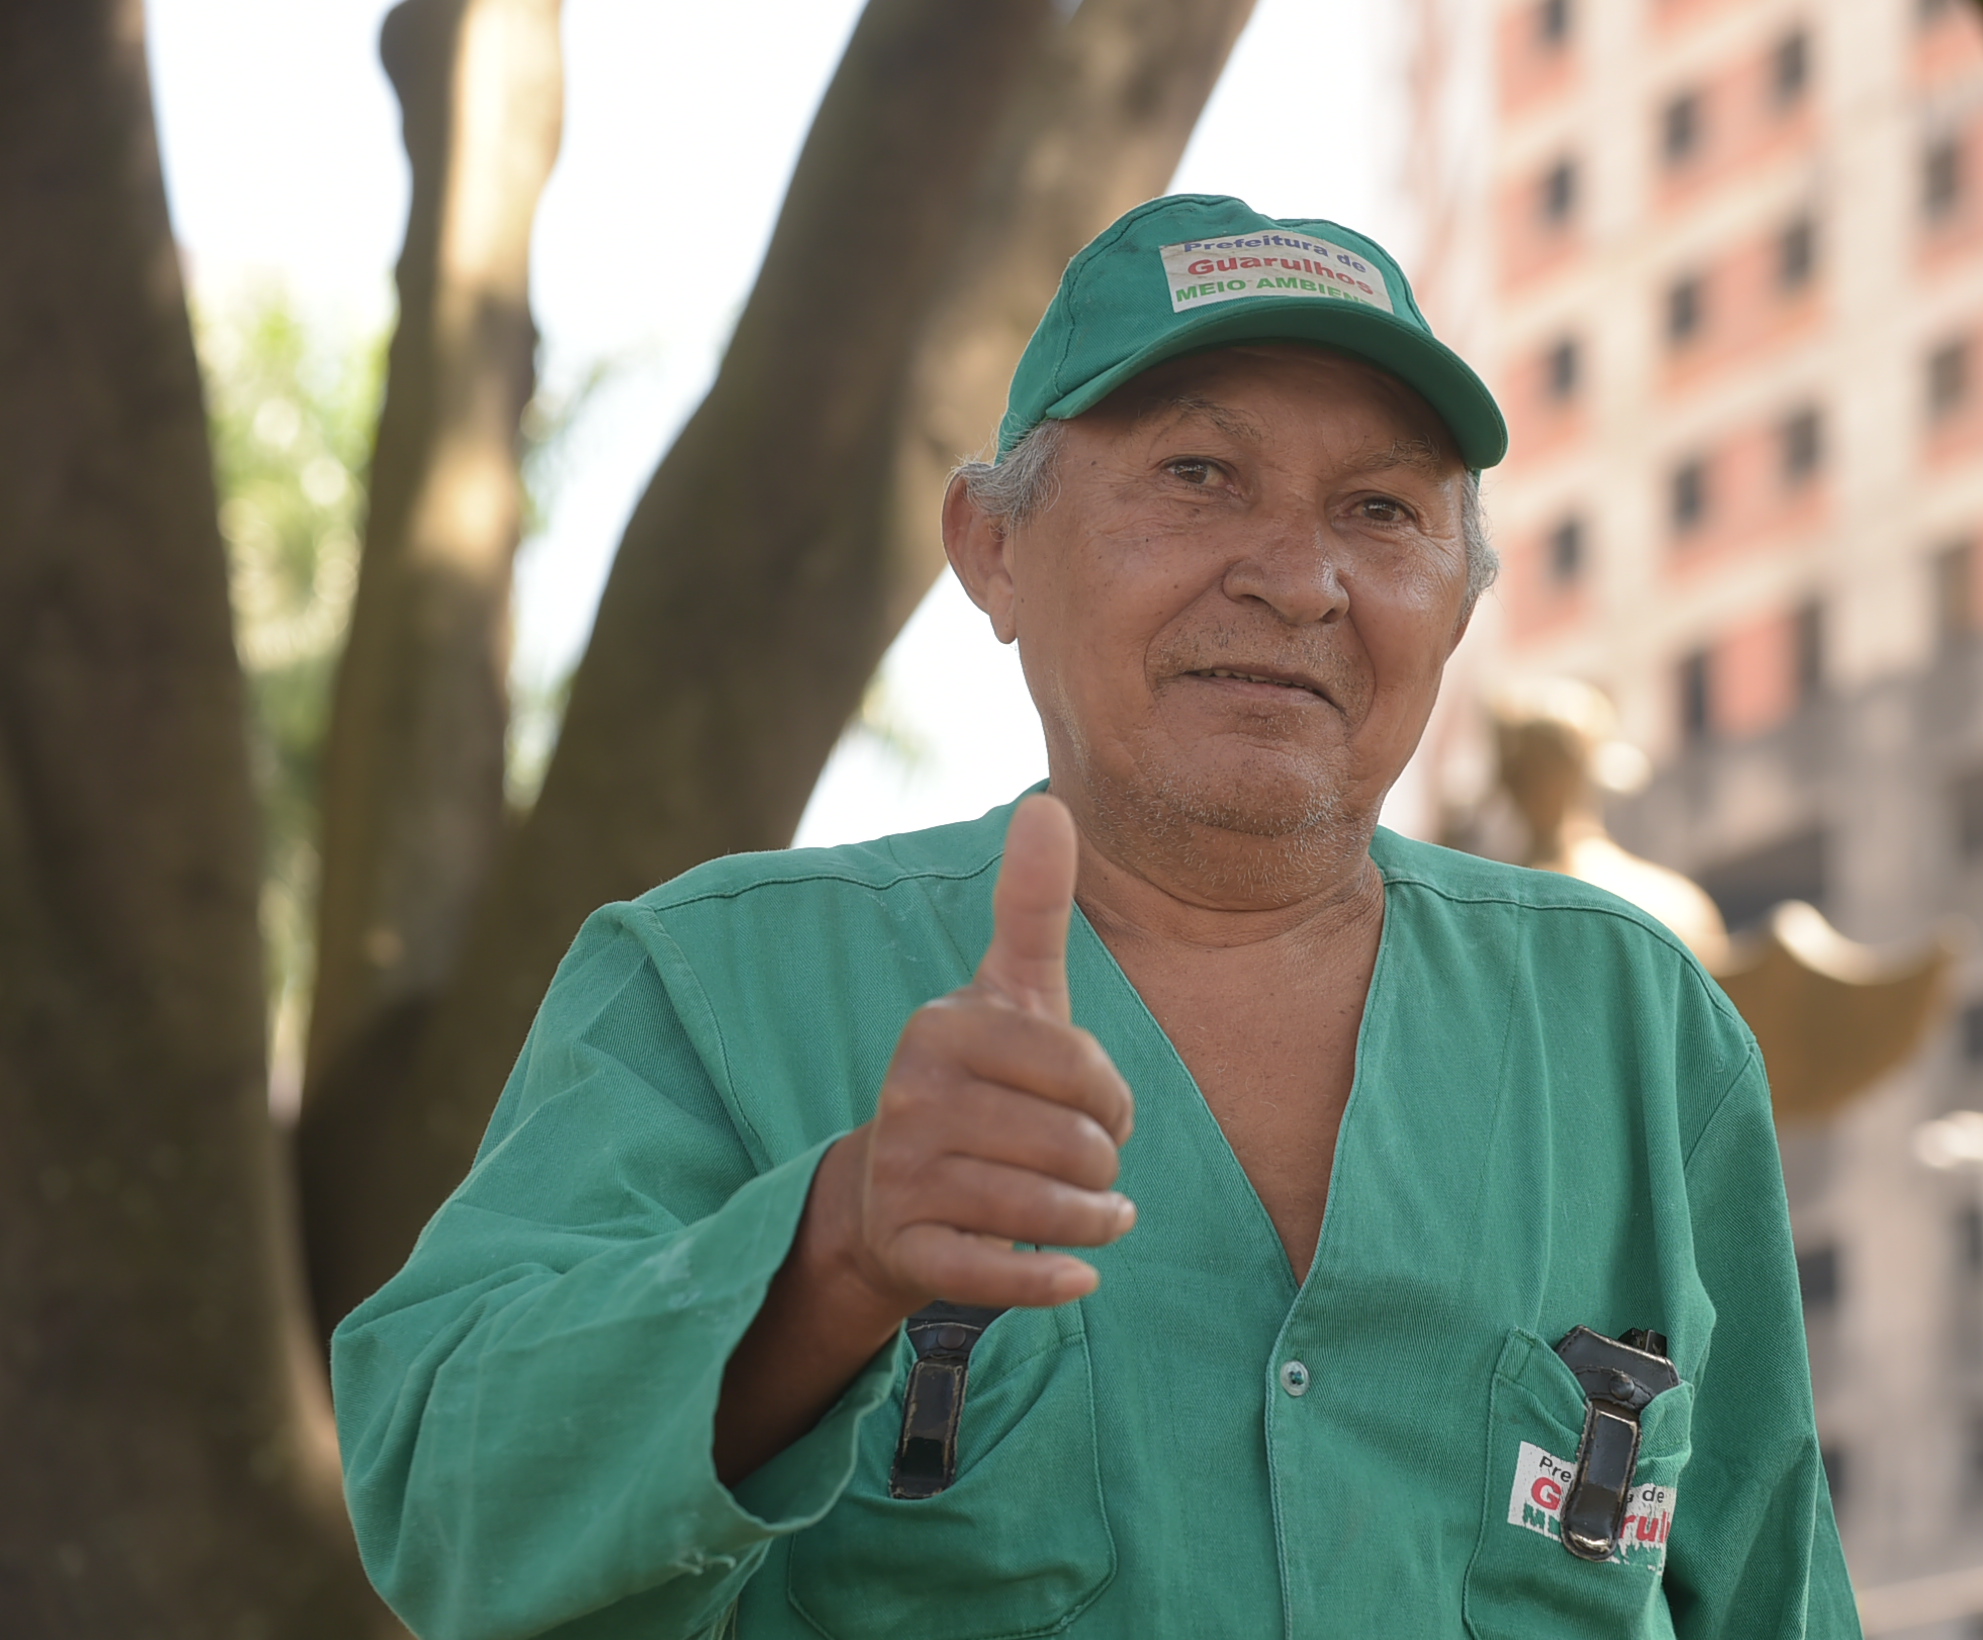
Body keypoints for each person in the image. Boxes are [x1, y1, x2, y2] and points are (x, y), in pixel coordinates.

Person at [333, 194, 1859, 1640]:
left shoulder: (1636, 1029)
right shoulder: (720, 988)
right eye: (1197, 476)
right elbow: (445, 1512)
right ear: (992, 549)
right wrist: (834, 1254)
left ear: (1459, 600)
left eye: (1382, 509)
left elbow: (1776, 1589)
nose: (1300, 579)